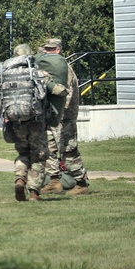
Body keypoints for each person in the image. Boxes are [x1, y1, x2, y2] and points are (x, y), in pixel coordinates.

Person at [2, 43, 67, 202]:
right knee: (38, 156)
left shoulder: (6, 74)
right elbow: (56, 90)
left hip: (17, 122)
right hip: (37, 121)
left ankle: (19, 179)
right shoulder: (38, 73)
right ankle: (33, 192)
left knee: (23, 153)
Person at [38, 38, 90, 196]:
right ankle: (54, 182)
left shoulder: (64, 69)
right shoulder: (50, 69)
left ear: (58, 50)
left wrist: (58, 114)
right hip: (51, 118)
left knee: (68, 151)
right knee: (48, 150)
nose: (48, 52)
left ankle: (81, 183)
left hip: (64, 118)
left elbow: (67, 95)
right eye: (46, 49)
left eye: (51, 49)